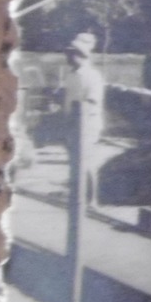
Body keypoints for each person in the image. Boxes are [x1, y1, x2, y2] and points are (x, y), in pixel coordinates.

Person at [61, 32, 106, 204]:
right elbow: (68, 98)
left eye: (70, 54)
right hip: (71, 123)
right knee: (74, 161)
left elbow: (92, 100)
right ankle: (77, 196)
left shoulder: (93, 76)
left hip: (88, 124)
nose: (68, 57)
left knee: (86, 161)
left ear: (79, 56)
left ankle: (91, 199)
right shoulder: (71, 75)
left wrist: (78, 112)